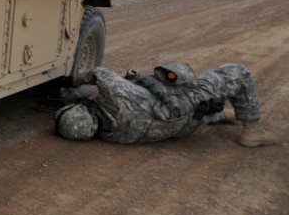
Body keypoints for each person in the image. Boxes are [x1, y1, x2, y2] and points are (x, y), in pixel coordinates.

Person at [55, 62, 278, 147]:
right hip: (192, 102)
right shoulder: (115, 93)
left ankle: (220, 116)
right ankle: (252, 130)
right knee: (239, 71)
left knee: (179, 112)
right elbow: (98, 72)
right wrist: (72, 83)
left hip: (187, 126)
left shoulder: (116, 136)